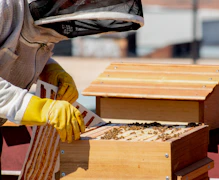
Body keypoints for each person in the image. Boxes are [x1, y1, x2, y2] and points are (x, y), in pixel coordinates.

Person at [0, 0, 143, 177]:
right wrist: (42, 109)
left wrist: (48, 68)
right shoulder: (3, 7)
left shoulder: (45, 17)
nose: (75, 4)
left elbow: (19, 49)